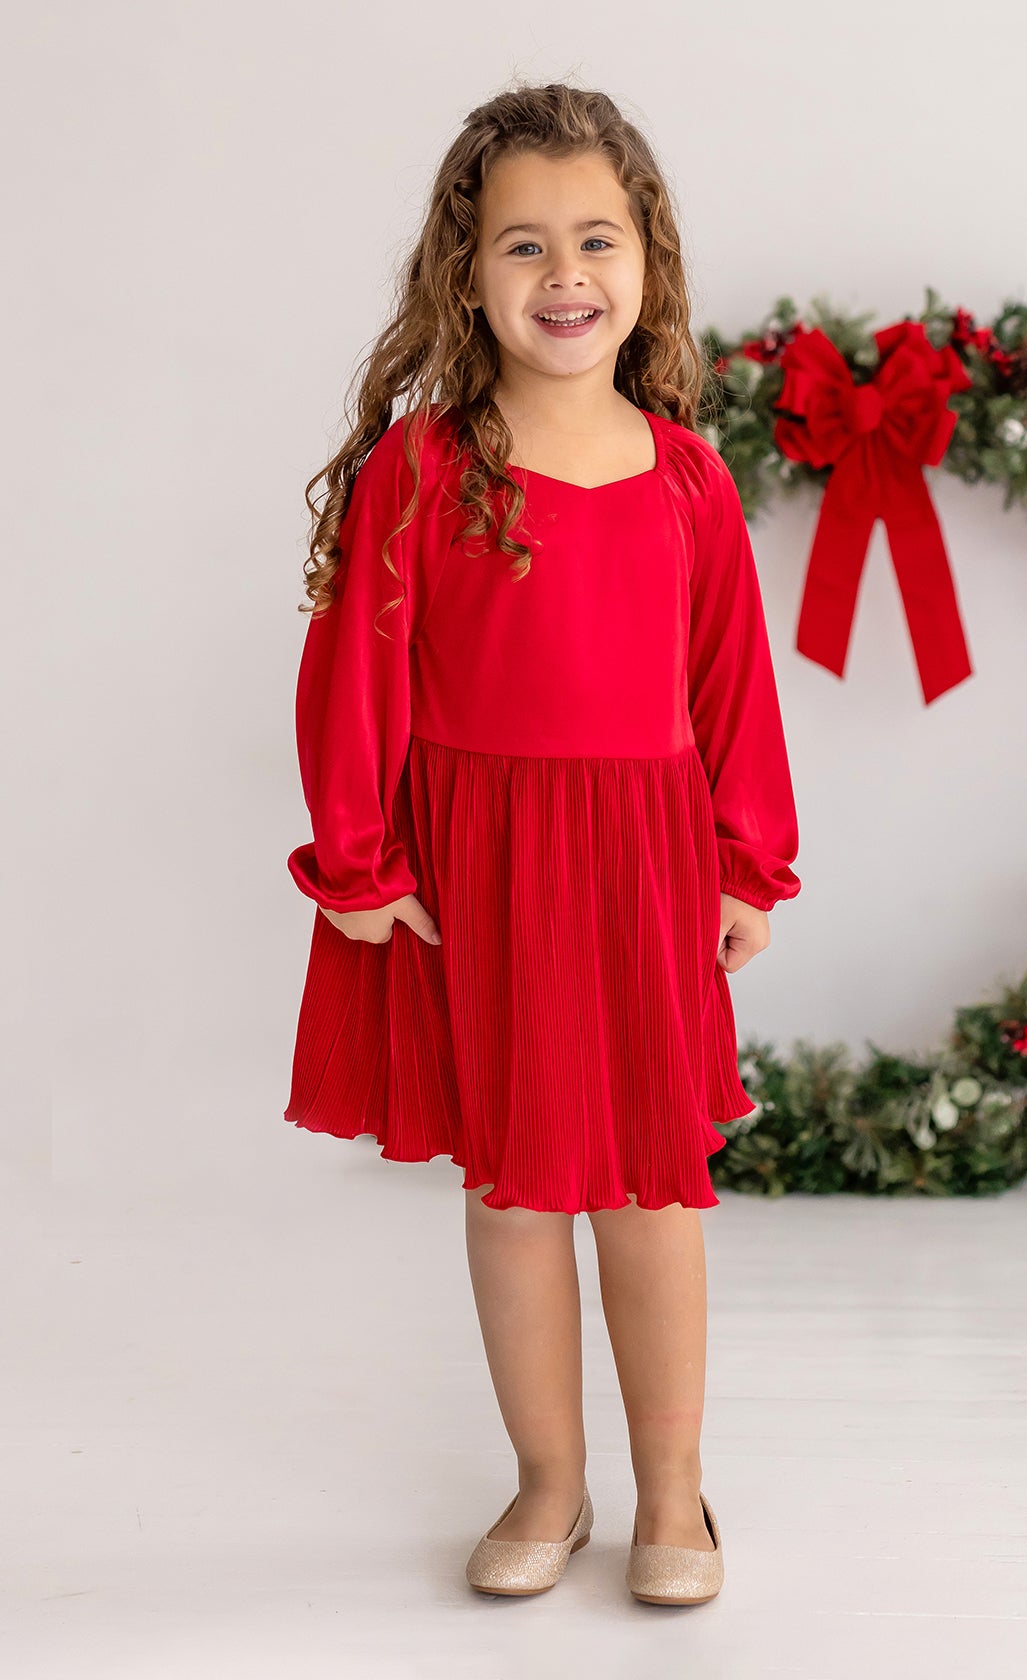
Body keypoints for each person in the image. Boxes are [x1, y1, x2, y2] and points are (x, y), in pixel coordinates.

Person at [282, 80, 801, 1605]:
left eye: (595, 239)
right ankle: (550, 1485)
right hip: (482, 869)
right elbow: (353, 676)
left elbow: (733, 683)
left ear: (648, 265)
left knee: (651, 1186)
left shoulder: (690, 477)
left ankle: (678, 1500)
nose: (563, 276)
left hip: (642, 861)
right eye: (522, 244)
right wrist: (362, 867)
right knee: (513, 1190)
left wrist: (741, 860)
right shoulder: (426, 470)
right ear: (465, 274)